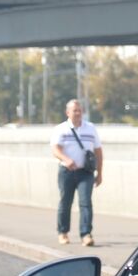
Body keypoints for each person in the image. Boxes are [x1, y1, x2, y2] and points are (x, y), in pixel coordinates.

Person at [50, 99, 102, 246]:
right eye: (75, 110)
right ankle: (63, 232)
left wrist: (100, 172)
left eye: (80, 110)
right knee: (65, 202)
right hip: (66, 171)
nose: (78, 113)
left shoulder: (90, 128)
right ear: (68, 113)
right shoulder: (61, 129)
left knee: (85, 203)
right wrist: (66, 159)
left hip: (85, 172)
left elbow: (98, 151)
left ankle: (86, 234)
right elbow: (55, 149)